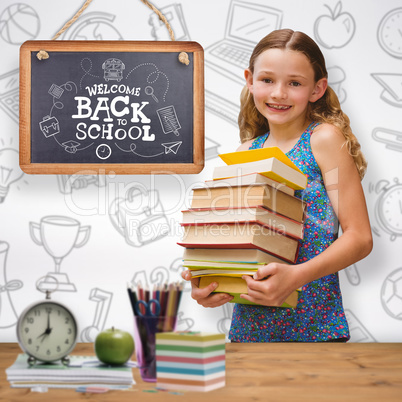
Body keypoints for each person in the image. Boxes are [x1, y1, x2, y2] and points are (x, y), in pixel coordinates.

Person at [182, 29, 373, 342]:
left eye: (294, 83)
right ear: (250, 79)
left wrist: (296, 276)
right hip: (248, 334)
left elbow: (360, 237)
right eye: (267, 80)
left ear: (317, 88)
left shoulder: (323, 140)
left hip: (316, 331)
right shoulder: (245, 153)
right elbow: (238, 242)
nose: (279, 93)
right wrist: (209, 281)